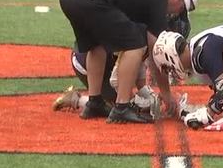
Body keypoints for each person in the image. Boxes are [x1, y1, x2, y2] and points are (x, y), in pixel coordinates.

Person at [58, 0, 197, 123]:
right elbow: (155, 51)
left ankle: (94, 102)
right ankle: (121, 108)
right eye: (181, 9)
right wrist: (165, 92)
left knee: (96, 45)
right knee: (135, 44)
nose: (175, 13)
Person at [52, 11, 192, 114]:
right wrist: (134, 101)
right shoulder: (139, 37)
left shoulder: (146, 33)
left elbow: (139, 67)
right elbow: (116, 80)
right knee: (121, 107)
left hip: (101, 57)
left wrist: (147, 95)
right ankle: (76, 99)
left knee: (137, 103)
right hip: (87, 59)